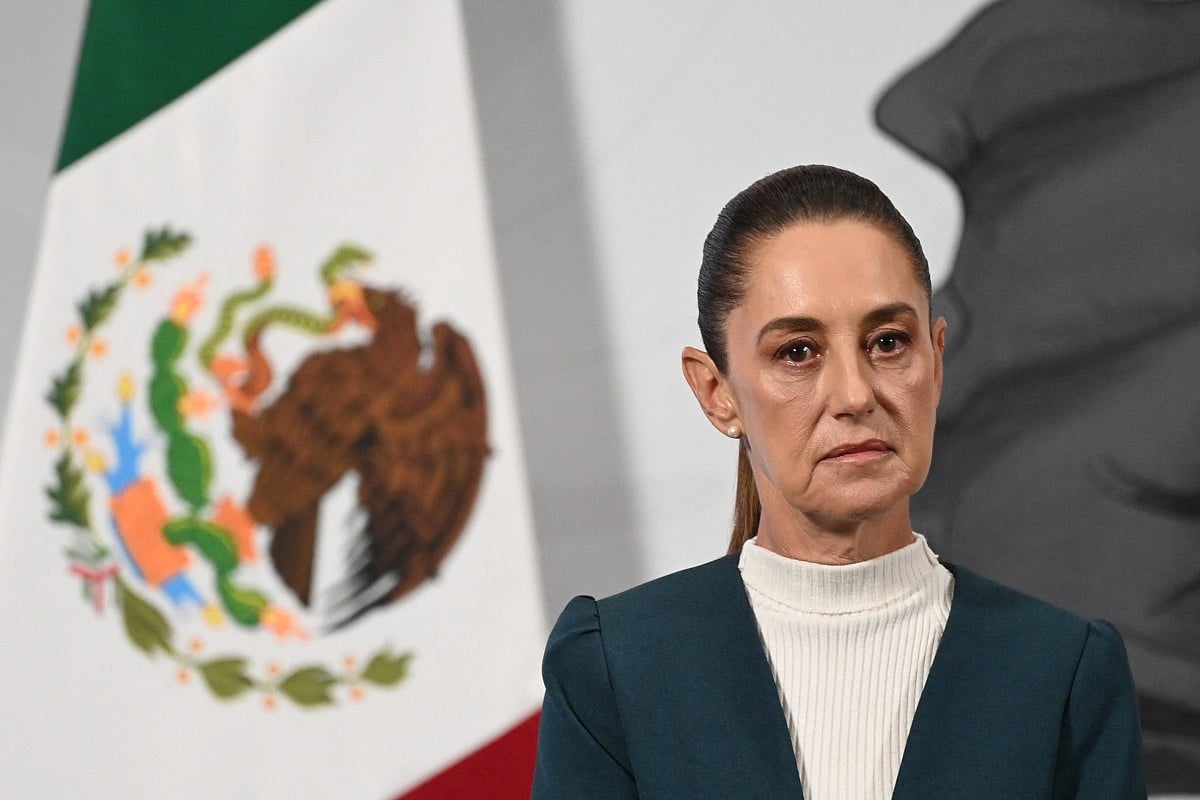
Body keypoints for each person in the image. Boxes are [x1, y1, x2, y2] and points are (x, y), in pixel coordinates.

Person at [530, 165, 1146, 799]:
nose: (854, 394)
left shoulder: (1061, 671)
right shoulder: (616, 669)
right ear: (716, 393)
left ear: (936, 361)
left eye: (887, 341)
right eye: (798, 351)